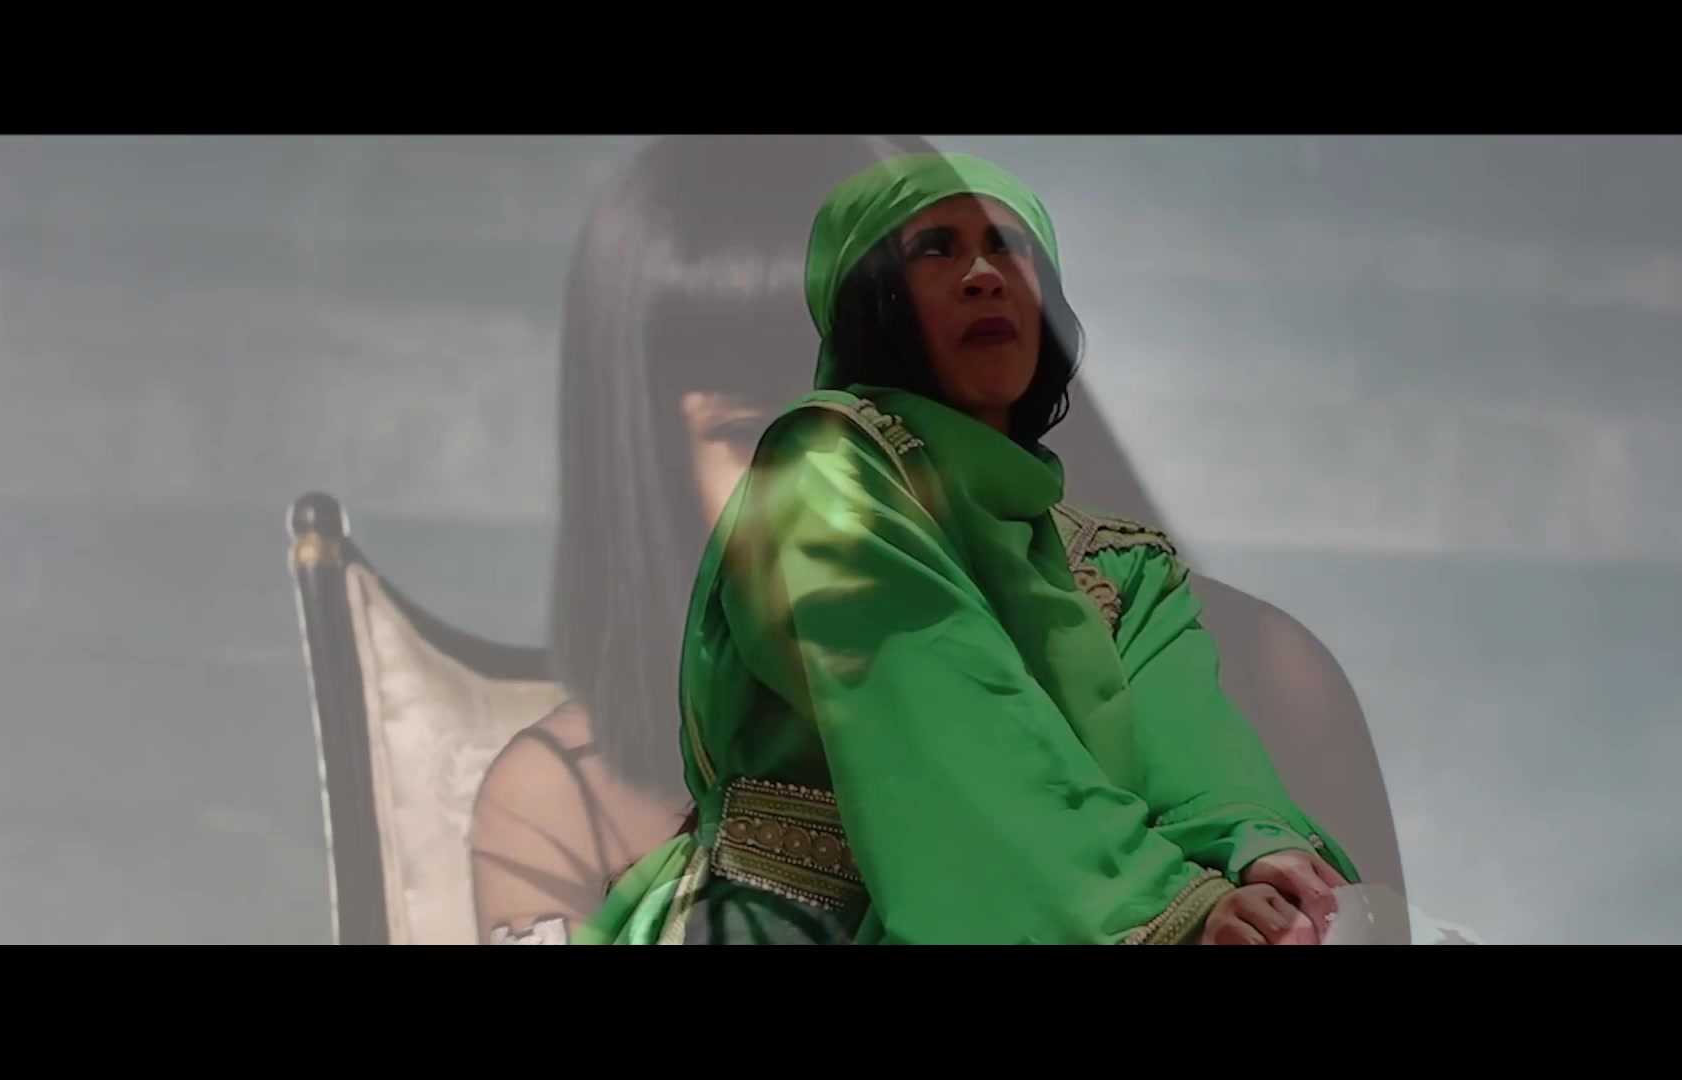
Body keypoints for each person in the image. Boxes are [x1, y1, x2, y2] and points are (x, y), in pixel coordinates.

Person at [572, 151, 1365, 946]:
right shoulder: (821, 475)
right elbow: (946, 713)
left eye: (1008, 248)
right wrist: (1162, 906)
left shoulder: (1119, 563)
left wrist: (1260, 850)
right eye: (936, 249)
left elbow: (1191, 745)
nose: (984, 275)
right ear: (873, 300)